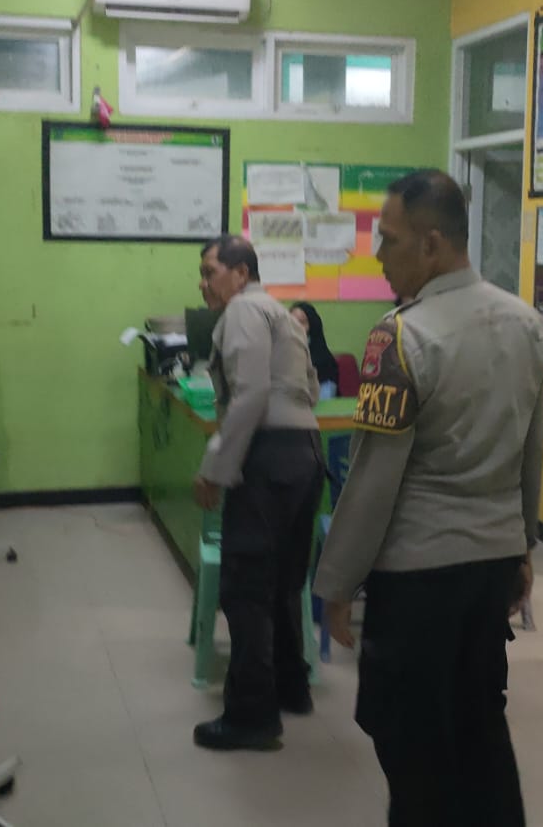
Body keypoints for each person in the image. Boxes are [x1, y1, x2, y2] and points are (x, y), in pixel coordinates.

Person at [314, 169, 543, 826]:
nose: (378, 256)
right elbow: (530, 453)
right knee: (481, 730)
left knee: (413, 748)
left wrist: (336, 583)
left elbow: (373, 477)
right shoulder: (527, 324)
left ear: (432, 244)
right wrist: (523, 547)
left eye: (389, 240)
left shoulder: (399, 337)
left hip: (419, 577)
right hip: (489, 570)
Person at [192, 235, 325, 752]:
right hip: (305, 452)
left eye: (210, 272)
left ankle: (252, 717)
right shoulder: (281, 315)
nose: (203, 284)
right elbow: (310, 388)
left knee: (246, 588)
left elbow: (250, 393)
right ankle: (292, 687)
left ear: (241, 274)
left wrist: (215, 468)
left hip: (268, 456)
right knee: (284, 582)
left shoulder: (244, 311)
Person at [290, 301, 341, 400]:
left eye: (301, 322)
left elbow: (324, 399)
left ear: (312, 326)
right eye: (291, 322)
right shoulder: (280, 352)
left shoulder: (324, 361)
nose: (296, 327)